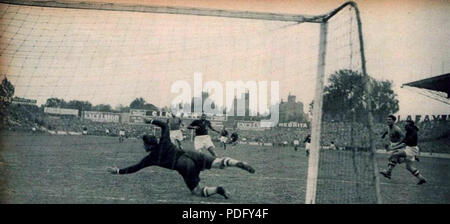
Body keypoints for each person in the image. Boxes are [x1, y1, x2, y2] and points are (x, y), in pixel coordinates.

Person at [107, 118, 255, 199]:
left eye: (143, 144)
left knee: (196, 191)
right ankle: (237, 163)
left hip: (184, 166)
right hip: (191, 154)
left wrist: (118, 171)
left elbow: (135, 168)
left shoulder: (151, 158)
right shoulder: (164, 141)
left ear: (147, 146)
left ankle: (218, 189)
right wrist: (150, 121)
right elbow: (165, 125)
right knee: (219, 161)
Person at [380, 120, 426, 185]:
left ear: (411, 126)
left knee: (394, 155)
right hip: (410, 149)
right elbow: (403, 141)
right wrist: (395, 146)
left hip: (411, 150)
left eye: (406, 125)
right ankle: (421, 179)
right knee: (409, 167)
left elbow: (404, 144)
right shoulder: (410, 131)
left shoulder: (413, 133)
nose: (405, 127)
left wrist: (392, 148)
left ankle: (388, 172)